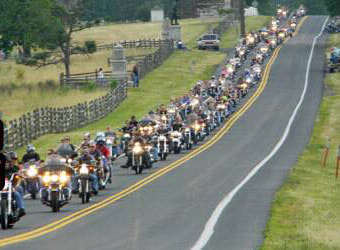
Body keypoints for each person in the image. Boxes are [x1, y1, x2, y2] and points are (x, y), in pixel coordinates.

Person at [5, 152, 26, 217]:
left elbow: (21, 174)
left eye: (14, 160)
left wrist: (21, 175)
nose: (12, 161)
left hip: (11, 186)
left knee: (18, 191)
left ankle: (21, 208)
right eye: (8, 161)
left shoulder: (15, 168)